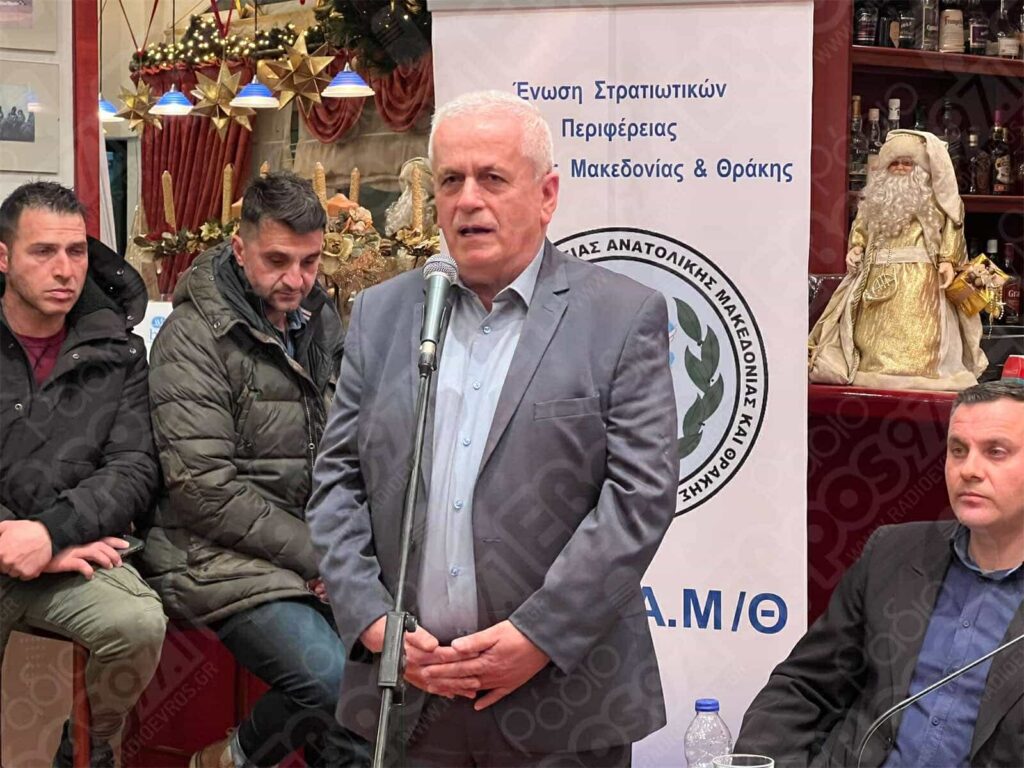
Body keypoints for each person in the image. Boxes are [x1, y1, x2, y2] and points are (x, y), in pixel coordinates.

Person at [306, 90, 679, 766]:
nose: (467, 200)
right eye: (451, 180)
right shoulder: (383, 316)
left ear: (546, 195)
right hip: (411, 698)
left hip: (560, 702)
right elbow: (336, 482)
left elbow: (639, 498)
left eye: (492, 178)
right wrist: (374, 622)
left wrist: (539, 635)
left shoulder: (621, 317)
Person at [140, 172, 367, 768]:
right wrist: (318, 557)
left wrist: (344, 547)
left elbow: (349, 446)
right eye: (277, 261)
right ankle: (228, 759)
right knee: (335, 682)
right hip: (210, 556)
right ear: (240, 250)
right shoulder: (193, 337)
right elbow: (204, 491)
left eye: (310, 262)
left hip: (304, 551)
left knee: (385, 687)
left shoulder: (320, 321)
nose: (296, 279)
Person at [735, 379, 1024, 767]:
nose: (969, 470)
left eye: (996, 452)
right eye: (958, 450)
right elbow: (805, 687)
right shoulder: (894, 552)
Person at [0, 181, 166, 767]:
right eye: (43, 251)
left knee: (138, 623)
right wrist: (14, 540)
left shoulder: (118, 350)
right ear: (3, 257)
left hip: (70, 547)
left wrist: (51, 535)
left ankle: (89, 745)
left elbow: (133, 468)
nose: (65, 269)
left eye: (76, 251)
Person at [808, 129, 987, 391]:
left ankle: (922, 371)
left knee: (919, 330)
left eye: (907, 163)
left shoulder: (935, 200)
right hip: (877, 277)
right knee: (873, 332)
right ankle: (873, 369)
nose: (901, 168)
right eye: (895, 163)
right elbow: (861, 228)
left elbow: (952, 226)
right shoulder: (876, 200)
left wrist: (948, 259)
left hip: (920, 279)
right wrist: (856, 248)